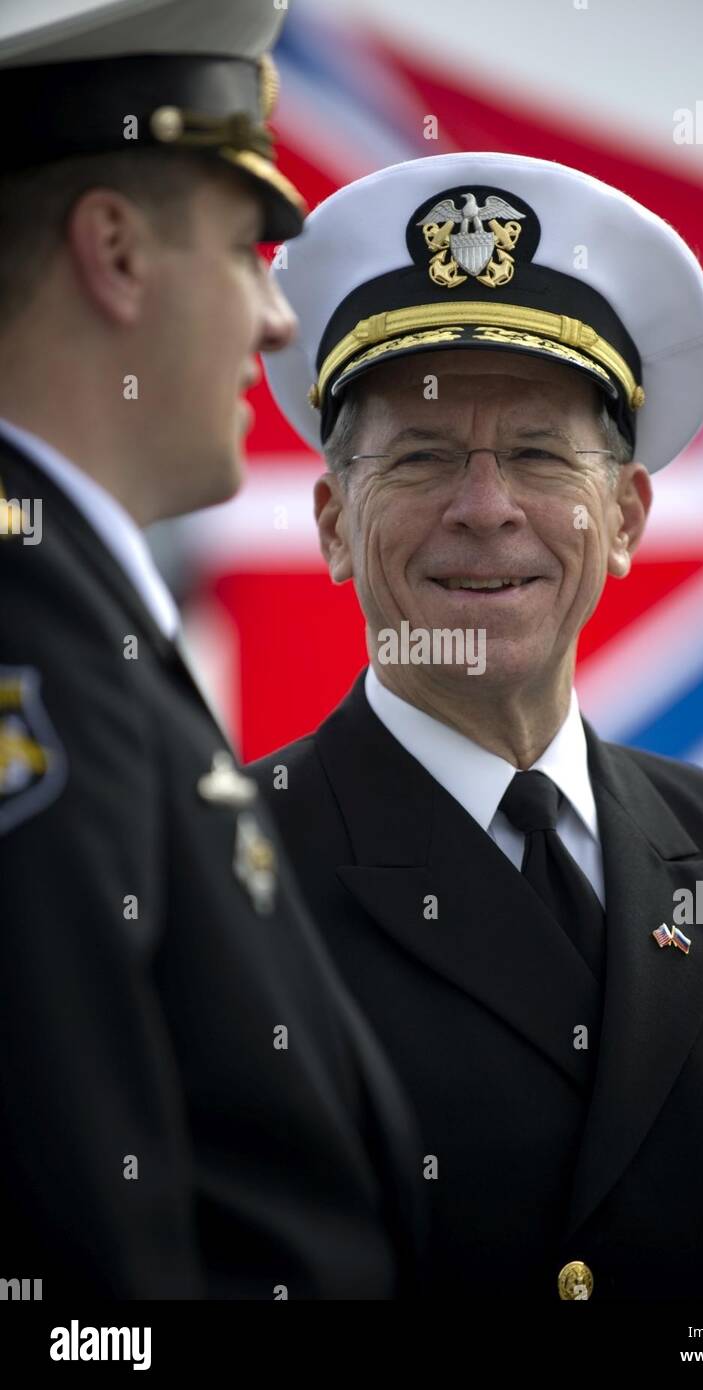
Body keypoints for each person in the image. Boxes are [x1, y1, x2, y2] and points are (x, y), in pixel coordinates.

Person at [253, 150, 703, 1301]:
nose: (485, 508)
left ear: (625, 515)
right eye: (424, 456)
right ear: (334, 523)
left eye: (538, 453)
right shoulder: (208, 881)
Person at [0, 0, 420, 1300]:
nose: (279, 322)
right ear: (115, 252)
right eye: (250, 250)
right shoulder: (34, 633)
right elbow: (78, 1250)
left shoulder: (71, 608)